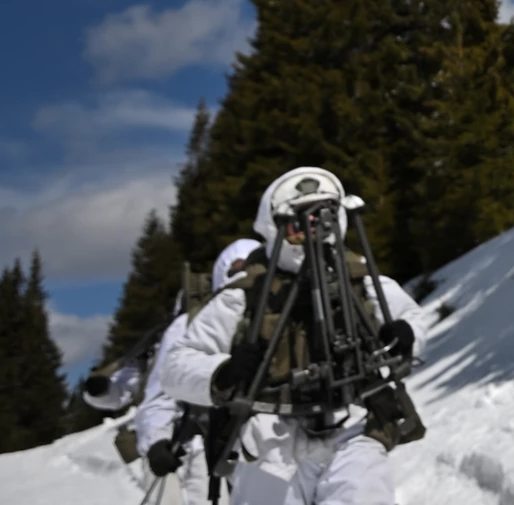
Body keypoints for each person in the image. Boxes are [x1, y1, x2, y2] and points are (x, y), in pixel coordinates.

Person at [160, 167, 429, 505]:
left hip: (353, 424)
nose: (310, 233)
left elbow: (412, 318)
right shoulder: (245, 294)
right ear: (275, 229)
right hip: (271, 435)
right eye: (298, 227)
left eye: (321, 221)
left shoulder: (359, 280)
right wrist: (223, 372)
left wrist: (406, 335)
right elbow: (176, 365)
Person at [136, 237, 262, 504]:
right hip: (203, 453)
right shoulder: (189, 325)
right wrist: (156, 442)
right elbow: (162, 391)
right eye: (236, 268)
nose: (244, 274)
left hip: (266, 445)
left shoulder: (281, 312)